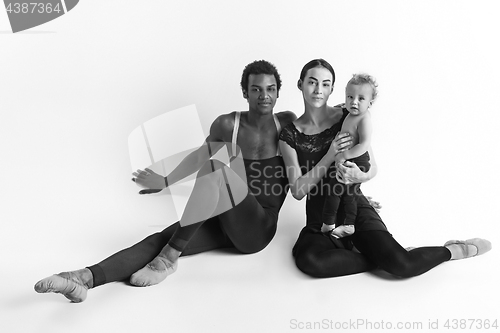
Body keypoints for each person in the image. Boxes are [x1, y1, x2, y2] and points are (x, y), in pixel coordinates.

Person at [34, 60, 297, 302]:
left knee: (218, 171)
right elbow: (200, 156)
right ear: (245, 92)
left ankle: (170, 259)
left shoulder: (287, 123)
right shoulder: (228, 124)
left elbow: (318, 133)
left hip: (258, 229)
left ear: (278, 92)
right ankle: (83, 279)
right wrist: (165, 180)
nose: (265, 96)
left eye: (271, 89)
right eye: (257, 89)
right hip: (225, 217)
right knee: (160, 238)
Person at [279, 58, 491, 279]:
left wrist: (359, 176)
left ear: (332, 88)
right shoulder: (289, 135)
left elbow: (372, 168)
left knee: (403, 266)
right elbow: (297, 190)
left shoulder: (348, 115)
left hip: (354, 207)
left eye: (325, 84)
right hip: (321, 218)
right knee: (309, 261)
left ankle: (455, 250)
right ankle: (377, 258)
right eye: (312, 82)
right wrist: (330, 154)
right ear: (300, 83)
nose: (318, 90)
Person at [321, 73, 377, 238]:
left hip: (356, 160)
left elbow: (364, 144)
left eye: (361, 99)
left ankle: (338, 224)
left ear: (369, 103)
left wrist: (344, 155)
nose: (354, 102)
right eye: (350, 96)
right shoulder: (349, 112)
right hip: (349, 158)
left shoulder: (364, 118)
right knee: (343, 192)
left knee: (339, 191)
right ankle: (339, 223)